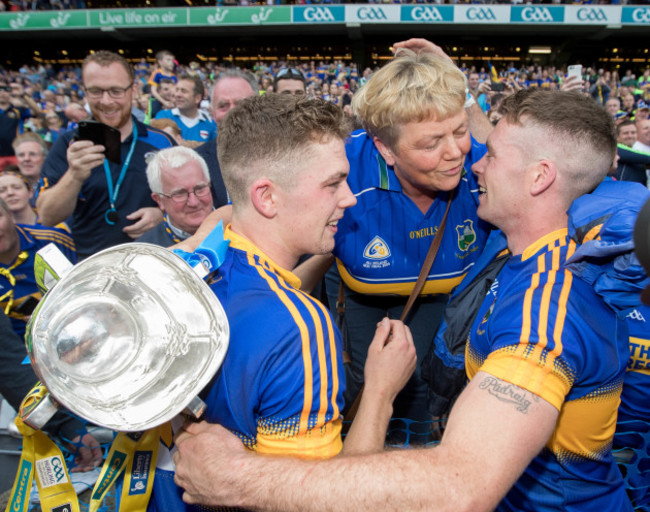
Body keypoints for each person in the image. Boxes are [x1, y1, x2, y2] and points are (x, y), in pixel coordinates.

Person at [173, 88, 633, 512]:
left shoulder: (546, 310)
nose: (471, 164)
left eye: (487, 154)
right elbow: (255, 200)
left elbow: (461, 485)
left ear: (539, 177)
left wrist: (234, 477)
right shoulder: (513, 245)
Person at [150, 93, 415, 510]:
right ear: (267, 197)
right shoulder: (300, 328)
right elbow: (327, 499)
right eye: (333, 183)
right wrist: (382, 391)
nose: (348, 198)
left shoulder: (187, 268)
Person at [300, 40, 492, 442]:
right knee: (354, 377)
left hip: (440, 296)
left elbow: (539, 171)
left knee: (427, 374)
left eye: (459, 131)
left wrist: (463, 93)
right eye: (430, 142)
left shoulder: (482, 164)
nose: (456, 152)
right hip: (361, 294)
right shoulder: (345, 163)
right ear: (385, 149)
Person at [35, 50, 175, 259]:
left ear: (133, 90)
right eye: (96, 91)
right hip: (88, 270)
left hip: (150, 265)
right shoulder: (69, 145)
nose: (107, 101)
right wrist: (74, 175)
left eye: (116, 91)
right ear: (84, 92)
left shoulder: (161, 142)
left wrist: (163, 215)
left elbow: (191, 200)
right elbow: (47, 216)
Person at [0, 197, 75, 339]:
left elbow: (86, 284)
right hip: (12, 348)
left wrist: (55, 309)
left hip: (67, 330)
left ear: (10, 215)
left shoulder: (50, 239)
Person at [194, 68, 258, 208]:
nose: (232, 112)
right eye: (223, 106)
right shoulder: (196, 162)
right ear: (212, 113)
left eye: (241, 104)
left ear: (257, 109)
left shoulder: (280, 156)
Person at [139, 146, 214, 246]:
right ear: (159, 200)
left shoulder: (237, 227)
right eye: (180, 194)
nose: (193, 202)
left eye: (200, 189)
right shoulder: (147, 252)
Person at [155, 74, 216, 147]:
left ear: (197, 98)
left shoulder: (210, 123)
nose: (177, 95)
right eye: (177, 90)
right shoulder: (163, 116)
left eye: (184, 91)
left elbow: (214, 151)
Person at [12, 132, 48, 197]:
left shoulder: (54, 184)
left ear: (44, 157)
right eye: (21, 155)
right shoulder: (9, 188)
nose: (26, 159)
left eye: (32, 154)